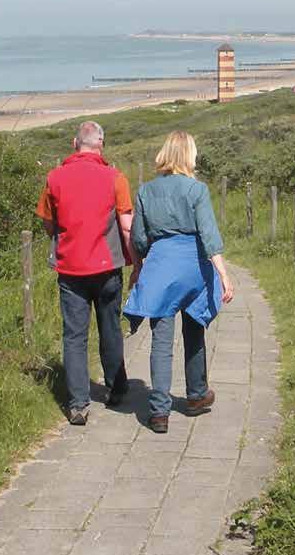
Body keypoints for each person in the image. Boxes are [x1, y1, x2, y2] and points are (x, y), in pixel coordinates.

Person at [125, 131, 234, 434]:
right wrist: (224, 274)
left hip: (161, 264)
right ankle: (196, 396)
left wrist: (138, 268)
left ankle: (159, 413)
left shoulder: (146, 191)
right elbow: (209, 234)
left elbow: (138, 238)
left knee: (161, 341)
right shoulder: (197, 190)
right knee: (194, 327)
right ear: (189, 155)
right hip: (194, 266)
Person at [36, 121, 135, 425]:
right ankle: (116, 387)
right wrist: (136, 262)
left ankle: (78, 403)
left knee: (74, 336)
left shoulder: (55, 178)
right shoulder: (116, 178)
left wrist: (61, 238)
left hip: (70, 267)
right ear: (101, 144)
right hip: (107, 267)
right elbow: (126, 224)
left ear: (74, 143)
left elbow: (48, 221)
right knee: (110, 327)